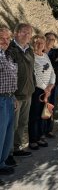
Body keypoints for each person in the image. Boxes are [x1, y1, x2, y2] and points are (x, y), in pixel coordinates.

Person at [6, 23, 35, 165]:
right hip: (15, 95)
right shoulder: (10, 50)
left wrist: (33, 88)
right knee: (13, 125)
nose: (26, 35)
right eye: (24, 32)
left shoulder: (30, 50)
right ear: (16, 33)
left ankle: (17, 147)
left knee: (23, 123)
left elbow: (31, 72)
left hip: (28, 93)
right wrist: (12, 95)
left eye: (29, 33)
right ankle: (8, 153)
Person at [28, 35, 55, 150]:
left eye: (42, 43)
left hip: (47, 90)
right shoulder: (31, 57)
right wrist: (45, 88)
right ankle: (33, 140)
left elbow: (52, 72)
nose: (40, 45)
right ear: (33, 44)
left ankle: (40, 136)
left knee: (43, 115)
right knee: (34, 115)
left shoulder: (45, 56)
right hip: (37, 90)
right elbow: (34, 74)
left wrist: (50, 85)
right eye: (37, 43)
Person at [0, 25, 17, 176]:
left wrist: (14, 96)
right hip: (1, 100)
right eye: (2, 39)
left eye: (7, 38)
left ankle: (2, 163)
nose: (5, 41)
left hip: (9, 98)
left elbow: (11, 78)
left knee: (7, 134)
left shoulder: (8, 54)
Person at [43, 32, 58, 138]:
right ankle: (41, 131)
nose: (50, 41)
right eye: (48, 38)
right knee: (42, 106)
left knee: (51, 106)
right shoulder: (40, 51)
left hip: (54, 83)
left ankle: (49, 129)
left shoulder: (56, 52)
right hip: (42, 84)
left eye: (52, 39)